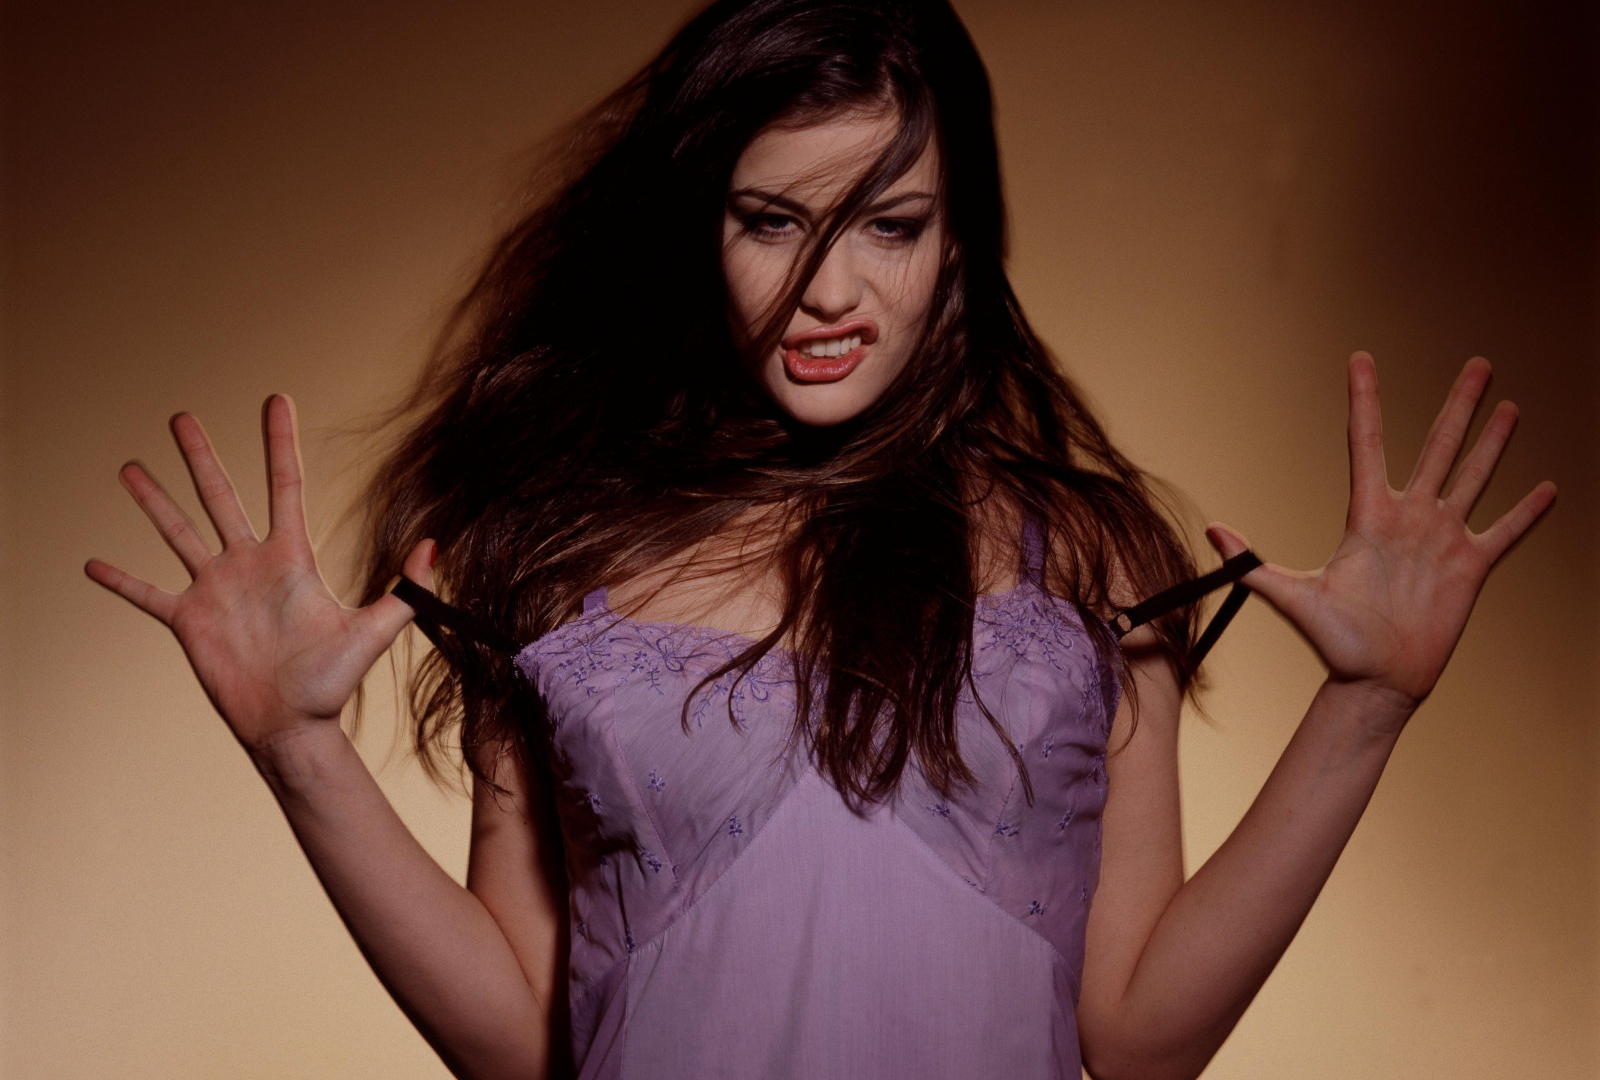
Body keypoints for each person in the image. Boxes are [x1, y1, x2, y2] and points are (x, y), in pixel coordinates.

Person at [83, 1, 1557, 1077]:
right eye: (772, 220)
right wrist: (302, 754)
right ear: (698, 229)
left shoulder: (1084, 552)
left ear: (957, 242)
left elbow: (1139, 1034)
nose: (830, 291)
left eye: (888, 225)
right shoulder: (556, 556)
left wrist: (1366, 707)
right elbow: (531, 1037)